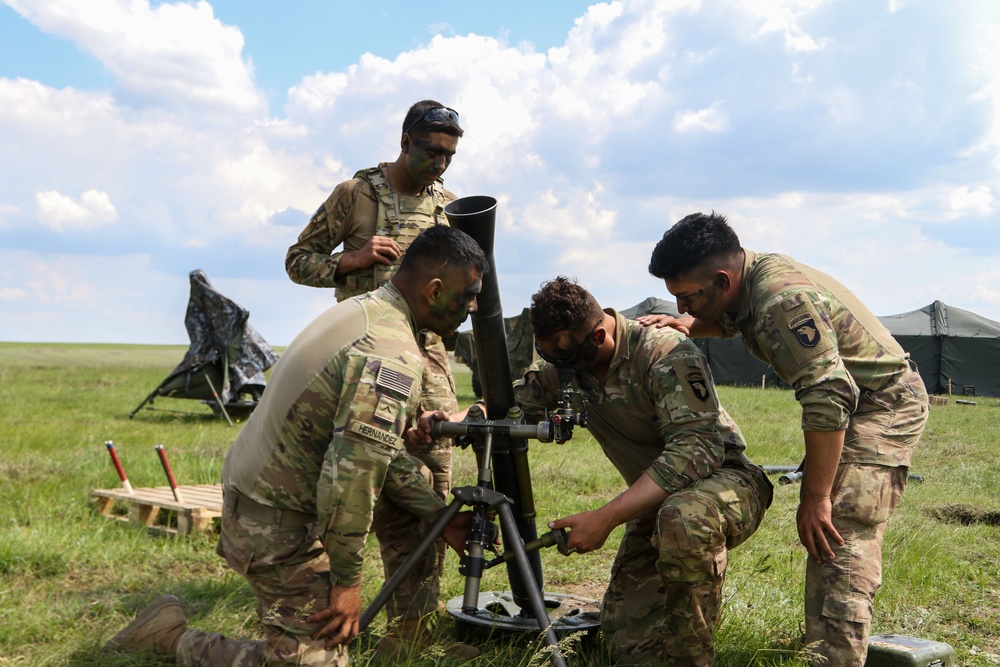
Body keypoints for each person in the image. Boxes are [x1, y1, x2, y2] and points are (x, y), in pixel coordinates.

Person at [104, 225, 489, 667]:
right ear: (435, 290)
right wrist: (346, 583)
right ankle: (170, 636)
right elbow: (354, 476)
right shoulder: (389, 352)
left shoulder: (371, 310)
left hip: (286, 496)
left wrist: (443, 519)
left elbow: (376, 453)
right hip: (272, 523)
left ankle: (411, 639)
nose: (473, 306)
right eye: (469, 295)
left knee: (415, 491)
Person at [419, 276, 773, 667]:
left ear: (599, 335)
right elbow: (514, 405)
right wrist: (457, 418)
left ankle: (694, 658)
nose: (560, 370)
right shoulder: (567, 361)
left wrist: (604, 518)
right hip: (656, 502)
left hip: (725, 483)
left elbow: (697, 448)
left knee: (684, 520)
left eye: (567, 359)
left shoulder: (664, 353)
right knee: (626, 639)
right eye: (551, 358)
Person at [646, 212, 929, 667]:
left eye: (686, 298)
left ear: (721, 278)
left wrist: (815, 496)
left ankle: (836, 656)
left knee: (839, 528)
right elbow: (742, 322)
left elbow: (828, 395)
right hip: (855, 401)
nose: (681, 309)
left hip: (883, 405)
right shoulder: (748, 281)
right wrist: (692, 328)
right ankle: (823, 644)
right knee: (827, 528)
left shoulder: (780, 296)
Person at [284, 100, 468, 654]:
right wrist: (350, 260)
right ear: (405, 139)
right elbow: (298, 260)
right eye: (431, 150)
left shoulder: (450, 207)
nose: (440, 164)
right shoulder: (355, 195)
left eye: (450, 155)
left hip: (429, 360)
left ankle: (413, 626)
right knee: (358, 472)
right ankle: (333, 603)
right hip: (363, 354)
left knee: (432, 483)